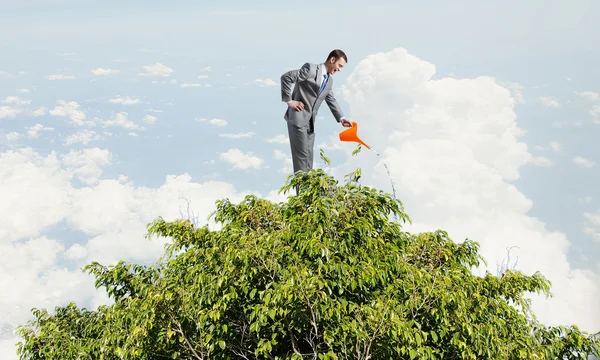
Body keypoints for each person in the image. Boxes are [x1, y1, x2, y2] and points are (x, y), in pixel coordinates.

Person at [280, 49, 353, 179]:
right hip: (298, 119)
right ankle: (301, 197)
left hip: (310, 123)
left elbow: (330, 99)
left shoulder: (329, 81)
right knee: (301, 161)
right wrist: (289, 101)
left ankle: (308, 195)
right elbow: (286, 77)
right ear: (332, 60)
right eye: (339, 66)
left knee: (308, 160)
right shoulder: (311, 69)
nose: (340, 69)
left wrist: (342, 118)